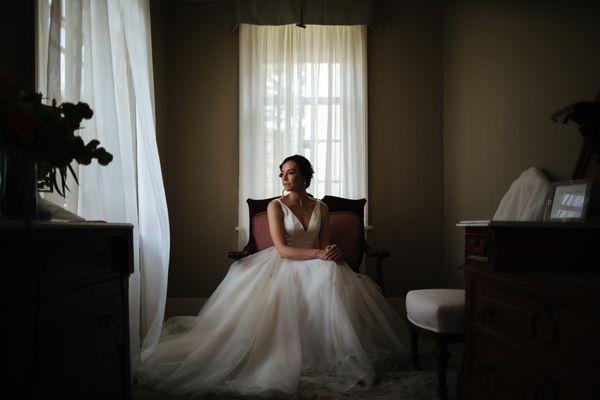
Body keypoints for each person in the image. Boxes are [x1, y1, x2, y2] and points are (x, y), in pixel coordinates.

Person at [135, 155, 408, 398]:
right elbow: (282, 249)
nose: (284, 178)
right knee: (318, 273)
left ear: (305, 176)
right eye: (282, 173)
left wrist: (332, 250)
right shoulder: (276, 206)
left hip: (315, 259)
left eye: (290, 172)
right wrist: (318, 254)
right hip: (285, 262)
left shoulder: (321, 208)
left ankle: (331, 350)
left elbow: (324, 244)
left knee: (331, 273)